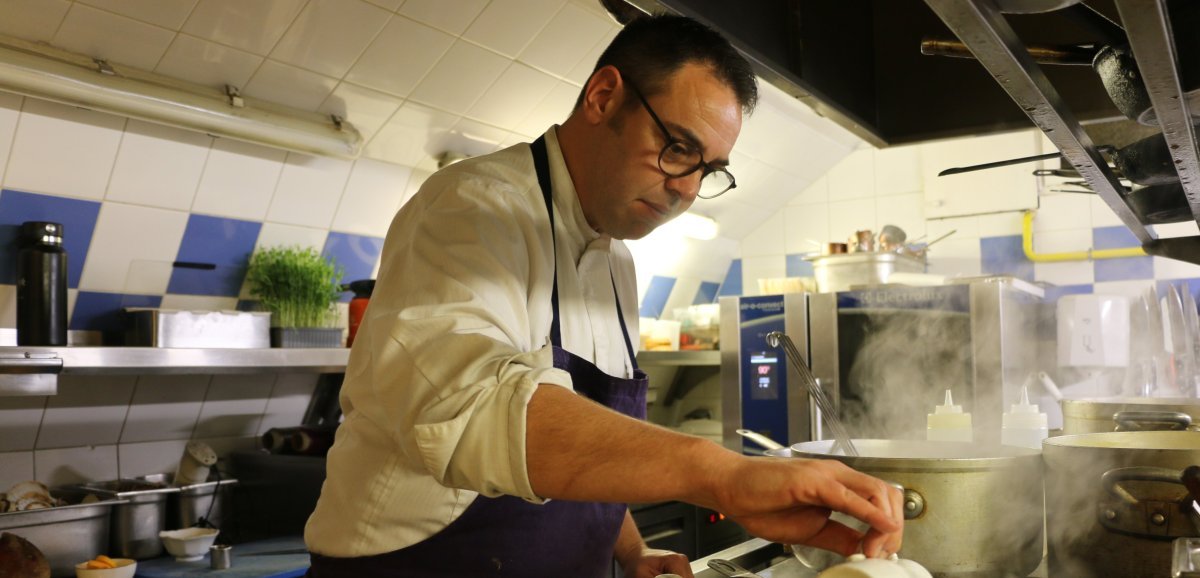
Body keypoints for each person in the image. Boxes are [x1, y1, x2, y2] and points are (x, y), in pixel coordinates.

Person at [304, 13, 903, 578]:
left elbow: (592, 438)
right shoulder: (472, 208)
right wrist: (723, 475)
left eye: (708, 169)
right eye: (677, 148)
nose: (687, 188)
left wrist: (633, 548)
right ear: (603, 97)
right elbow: (477, 409)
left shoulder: (616, 260)